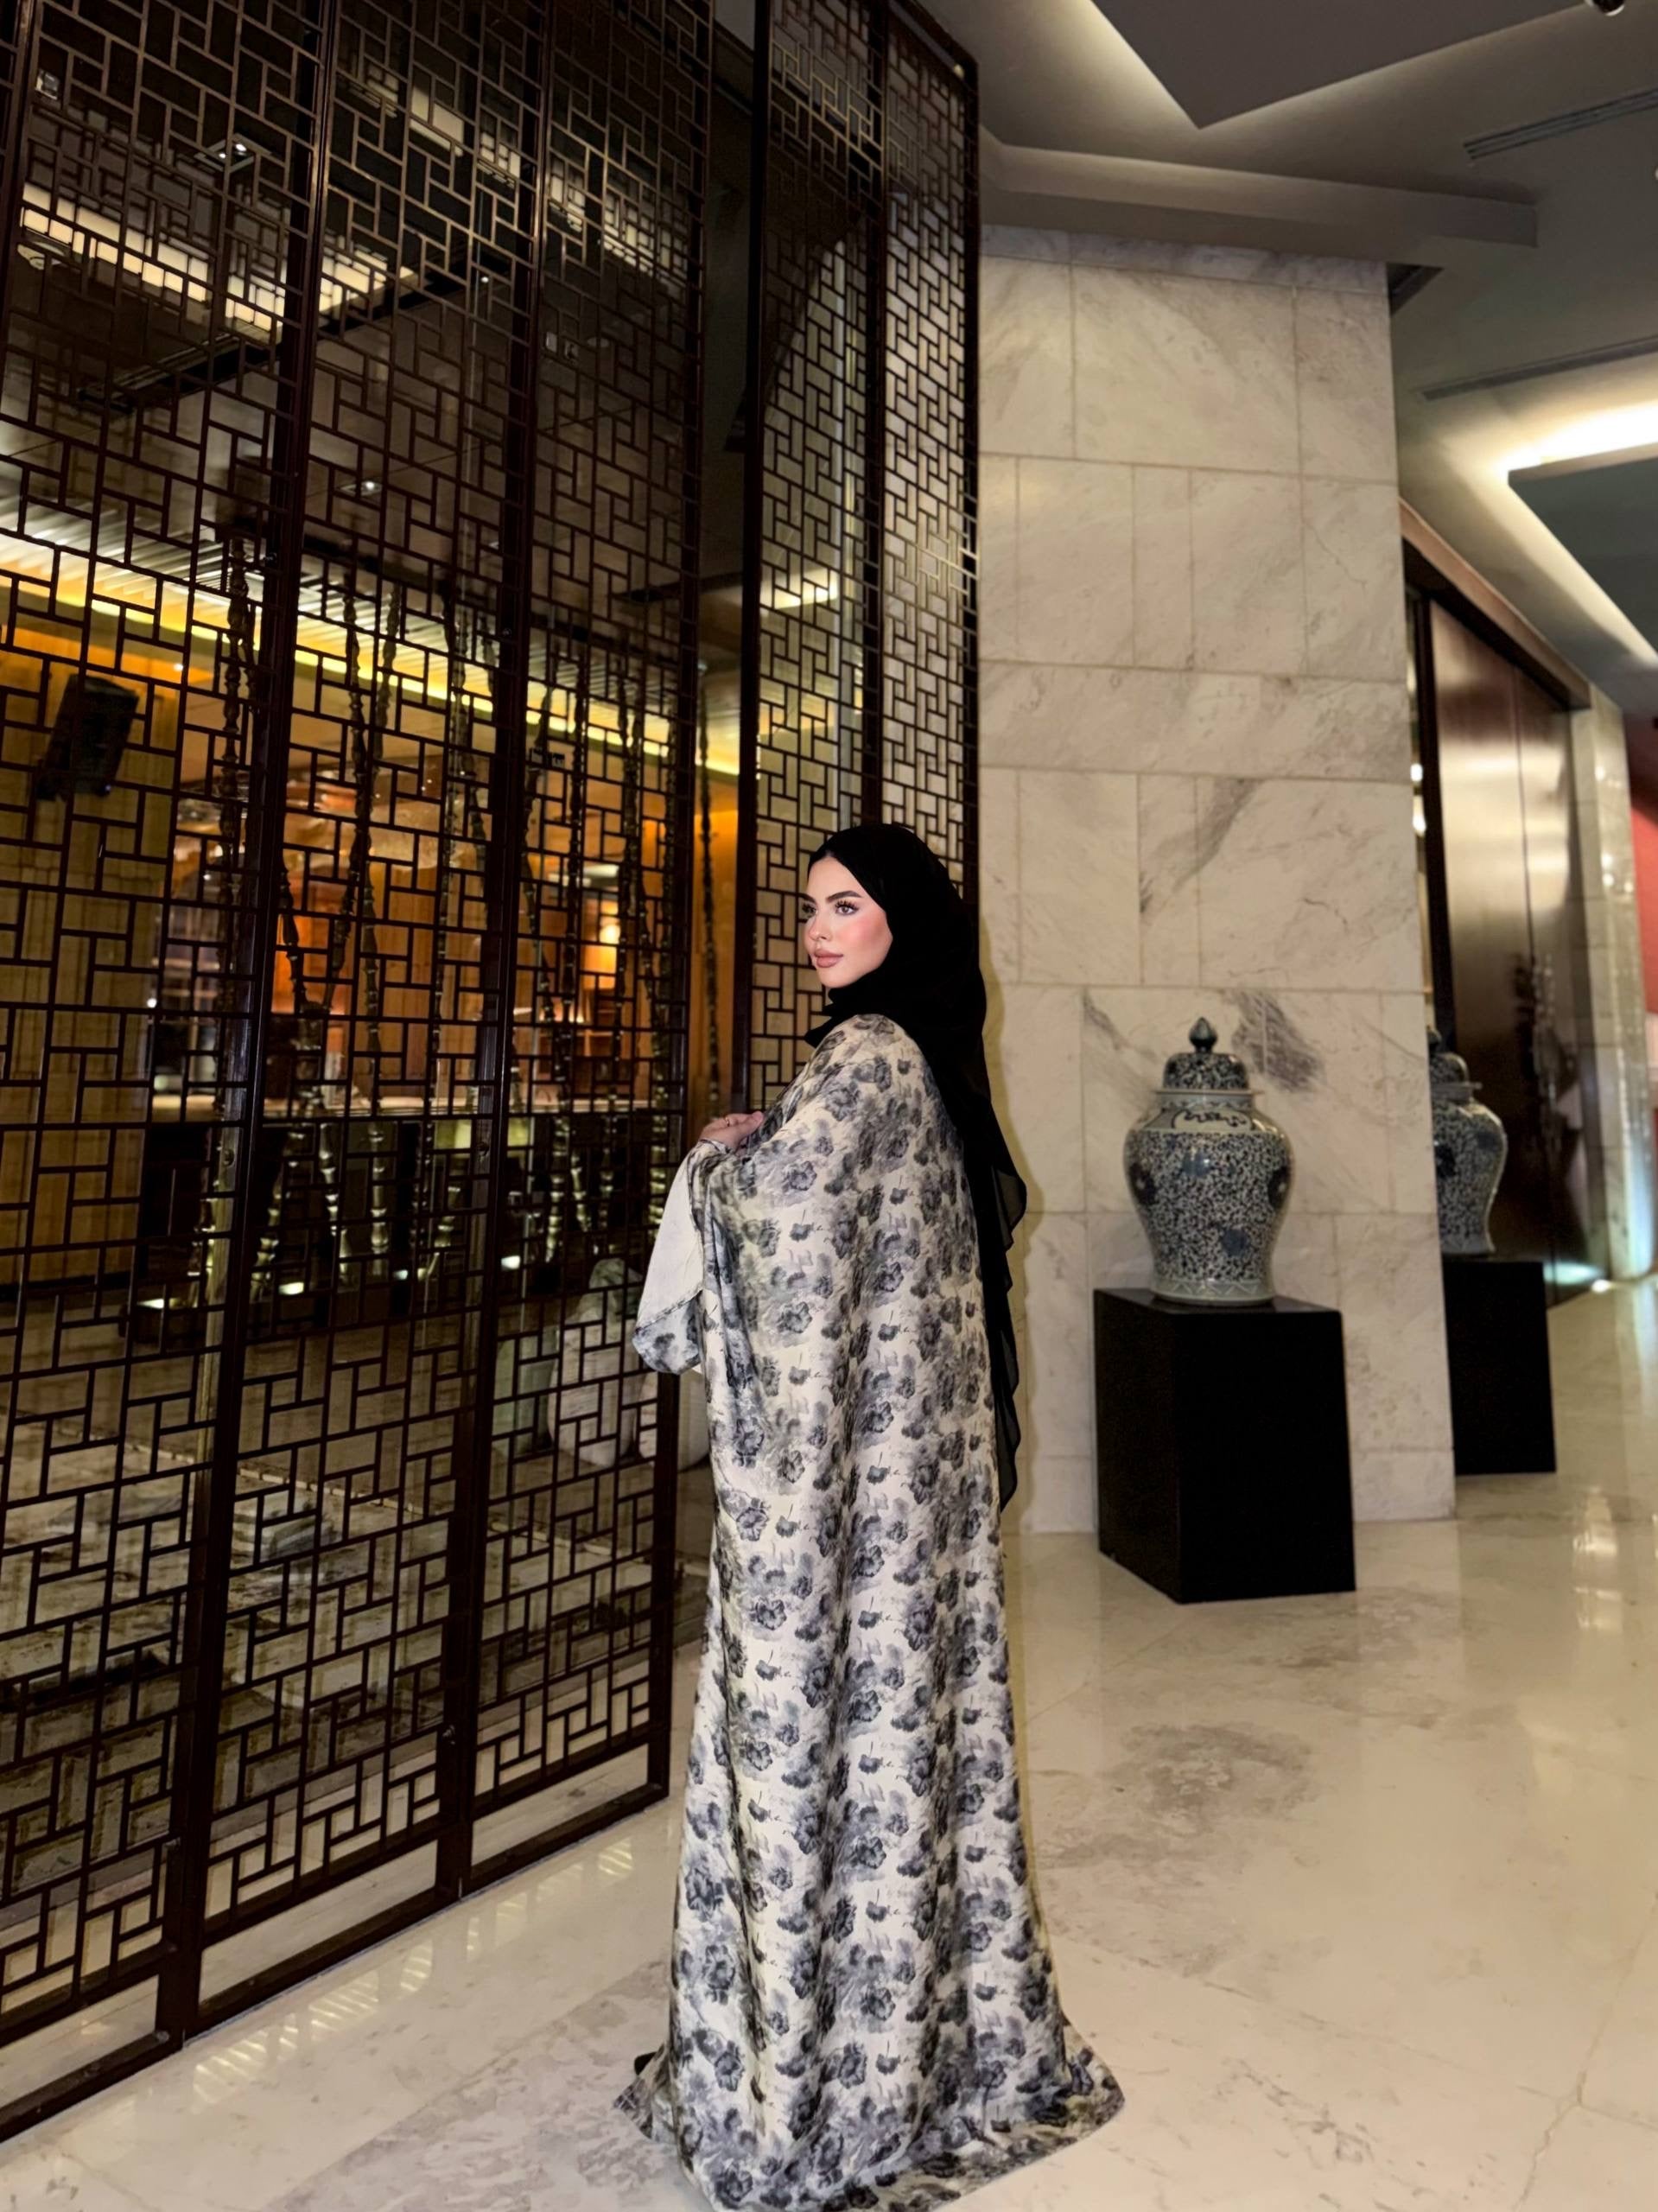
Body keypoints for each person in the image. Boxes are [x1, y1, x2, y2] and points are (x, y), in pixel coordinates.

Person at [616, 823, 1122, 2209]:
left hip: (832, 1530)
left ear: (904, 921)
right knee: (911, 1762)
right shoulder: (922, 1062)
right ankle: (923, 2056)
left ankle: (805, 2091)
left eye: (845, 905)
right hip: (912, 1513)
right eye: (811, 908)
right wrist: (768, 1142)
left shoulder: (866, 1058)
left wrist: (713, 1166)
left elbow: (780, 1219)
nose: (817, 929)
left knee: (809, 1755)